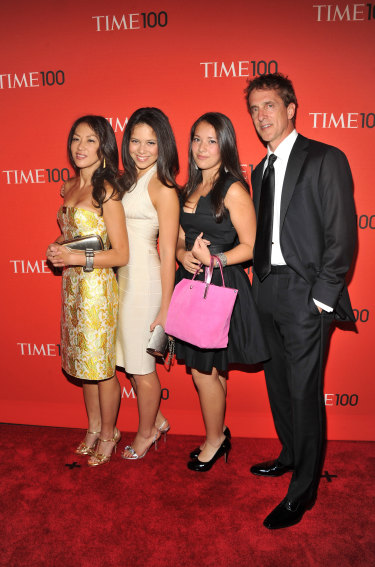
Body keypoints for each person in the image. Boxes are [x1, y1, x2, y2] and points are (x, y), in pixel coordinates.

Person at [245, 73, 357, 528]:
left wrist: (322, 300)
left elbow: (342, 236)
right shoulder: (259, 169)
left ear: (291, 108)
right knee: (277, 386)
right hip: (266, 289)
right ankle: (290, 455)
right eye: (254, 109)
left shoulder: (325, 158)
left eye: (269, 106)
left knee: (303, 392)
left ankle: (303, 490)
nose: (261, 116)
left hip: (305, 293)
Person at [175, 112, 269, 472]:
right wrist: (184, 255)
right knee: (211, 369)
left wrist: (214, 259)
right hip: (193, 284)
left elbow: (252, 245)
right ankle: (218, 433)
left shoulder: (231, 187)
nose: (202, 147)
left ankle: (214, 440)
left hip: (221, 286)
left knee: (203, 371)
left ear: (225, 145)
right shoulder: (191, 186)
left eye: (211, 140)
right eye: (197, 139)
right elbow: (180, 239)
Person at [46, 115, 129, 467]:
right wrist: (57, 249)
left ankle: (110, 433)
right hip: (72, 287)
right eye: (76, 139)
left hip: (97, 290)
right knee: (84, 364)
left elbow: (121, 253)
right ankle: (93, 427)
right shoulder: (68, 187)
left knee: (102, 368)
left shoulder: (106, 190)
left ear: (104, 146)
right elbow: (75, 235)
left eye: (90, 140)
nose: (80, 147)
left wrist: (74, 255)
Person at [116, 107, 180, 460]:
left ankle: (147, 432)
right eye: (136, 141)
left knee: (142, 370)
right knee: (128, 363)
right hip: (122, 281)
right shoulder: (128, 181)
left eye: (151, 142)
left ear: (163, 145)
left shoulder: (163, 187)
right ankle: (158, 419)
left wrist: (165, 308)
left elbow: (168, 250)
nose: (142, 150)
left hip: (145, 284)